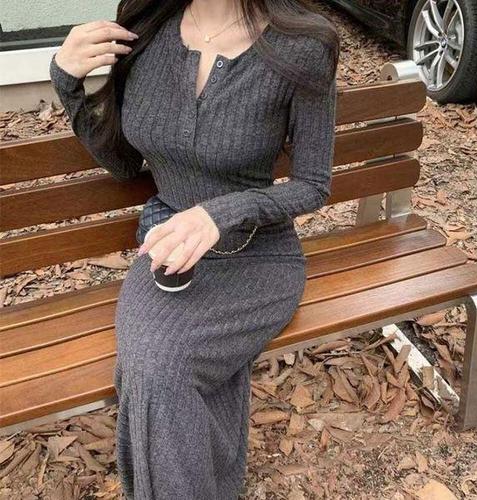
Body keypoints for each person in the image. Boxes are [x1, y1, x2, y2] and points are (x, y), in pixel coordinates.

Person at [49, 0, 339, 498]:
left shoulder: (302, 45)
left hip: (259, 255)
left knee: (163, 368)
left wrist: (219, 213)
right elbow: (124, 164)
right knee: (155, 365)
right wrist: (67, 80)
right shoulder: (144, 34)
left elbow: (313, 185)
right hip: (169, 249)